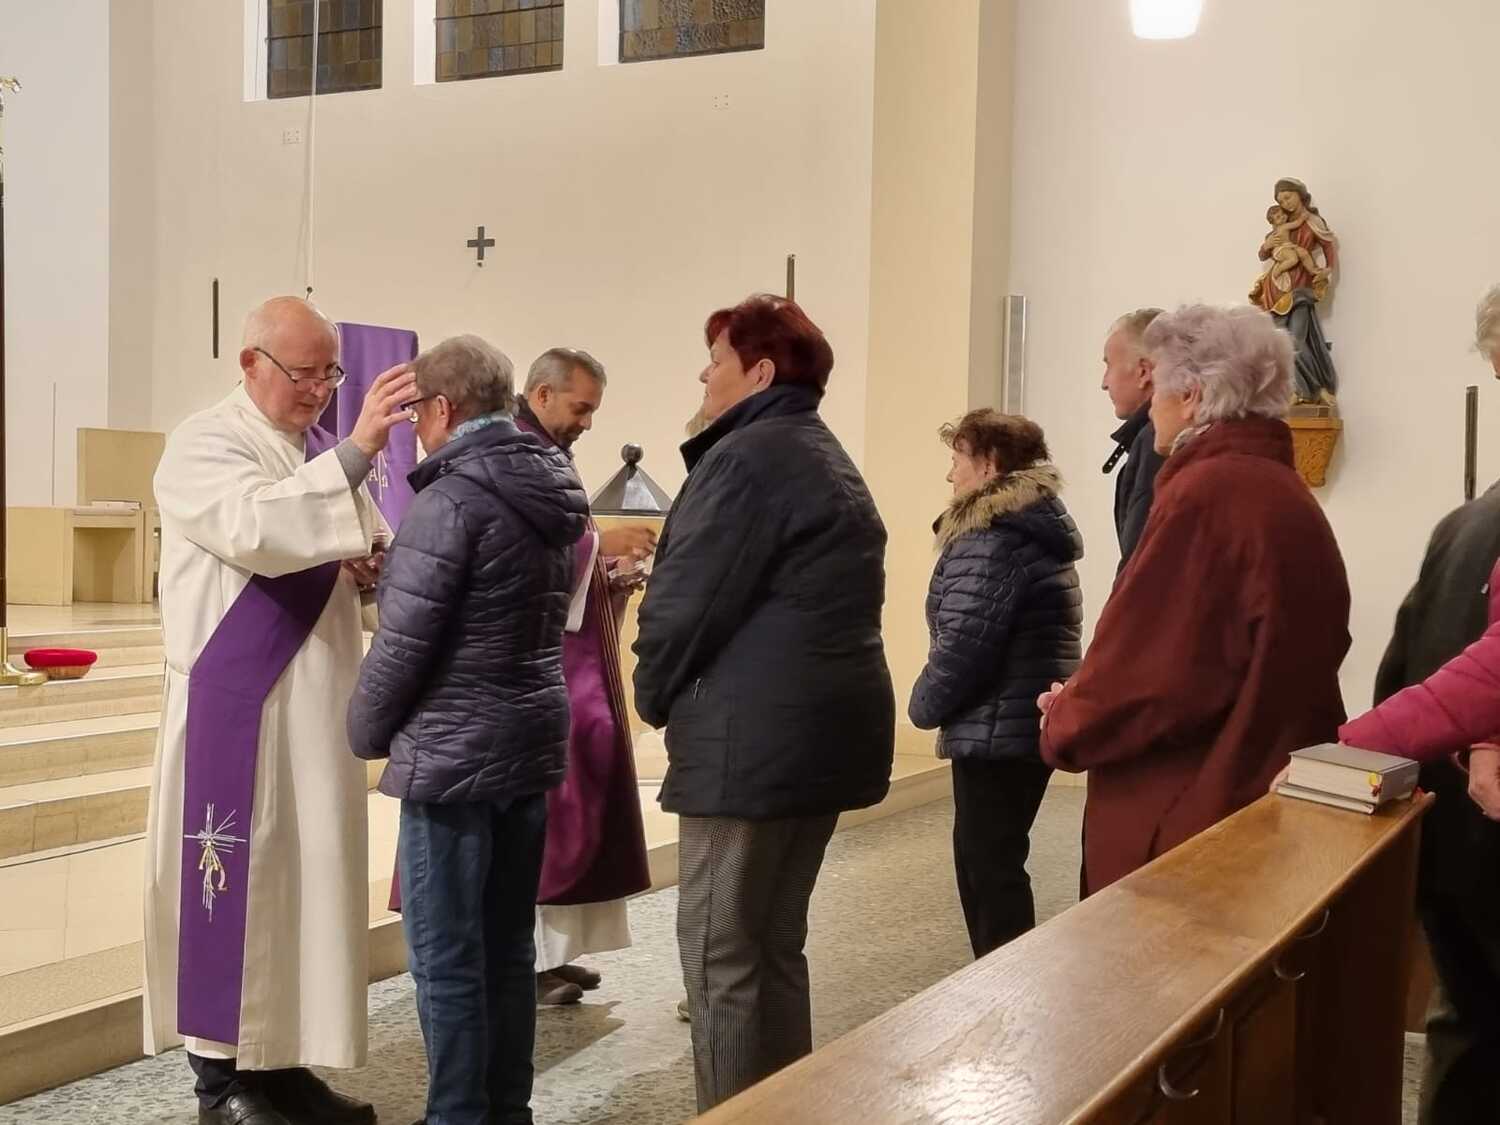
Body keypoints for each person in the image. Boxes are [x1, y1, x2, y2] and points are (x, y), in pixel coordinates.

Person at [143, 296, 412, 1125]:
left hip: (313, 706)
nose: (321, 390)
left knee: (302, 883)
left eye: (331, 373)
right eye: (304, 373)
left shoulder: (315, 449)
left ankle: (284, 1066)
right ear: (250, 362)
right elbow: (257, 529)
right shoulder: (204, 442)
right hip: (236, 709)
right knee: (233, 880)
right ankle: (221, 1084)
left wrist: (367, 568)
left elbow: (349, 542)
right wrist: (359, 450)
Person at [633, 294, 895, 1110]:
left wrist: (649, 692)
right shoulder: (819, 451)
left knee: (720, 954)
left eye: (716, 359)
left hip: (750, 746)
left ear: (759, 372)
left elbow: (686, 601)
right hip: (815, 736)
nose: (703, 374)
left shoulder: (745, 458)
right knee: (773, 942)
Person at [347, 335, 588, 1125]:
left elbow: (404, 644)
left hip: (452, 757)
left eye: (419, 412)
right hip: (527, 740)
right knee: (507, 946)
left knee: (446, 956)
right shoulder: (548, 484)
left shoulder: (450, 500)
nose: (417, 429)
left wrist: (363, 730)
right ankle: (506, 1110)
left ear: (443, 408)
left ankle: (456, 1115)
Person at [1038, 303, 1350, 894]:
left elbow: (1154, 670)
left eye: (1158, 383)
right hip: (1262, 786)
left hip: (1193, 810)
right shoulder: (1284, 489)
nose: (1150, 400)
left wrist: (1066, 718)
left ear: (1191, 396)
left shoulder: (1206, 494)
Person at [1336, 286, 1500, 1125]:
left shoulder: (1462, 524)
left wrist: (1353, 747)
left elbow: (1403, 677)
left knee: (1465, 1036)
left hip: (1458, 853)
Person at [908, 410, 1082, 957]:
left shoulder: (992, 538)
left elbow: (966, 641)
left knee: (988, 870)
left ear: (988, 465)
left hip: (996, 728)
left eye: (957, 458)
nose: (950, 473)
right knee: (996, 860)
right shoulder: (1031, 526)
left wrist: (922, 705)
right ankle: (1007, 976)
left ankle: (1004, 985)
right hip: (1020, 721)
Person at [514, 346, 655, 1007]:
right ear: (542, 394)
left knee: (576, 807)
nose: (588, 422)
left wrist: (606, 574)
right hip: (537, 668)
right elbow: (523, 544)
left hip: (571, 658)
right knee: (549, 811)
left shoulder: (549, 451)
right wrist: (601, 542)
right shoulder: (516, 450)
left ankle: (555, 953)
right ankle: (527, 962)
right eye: (581, 407)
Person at [1100, 307, 1165, 571]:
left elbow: (1142, 568)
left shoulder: (1157, 442)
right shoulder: (1150, 438)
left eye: (1108, 365)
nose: (1104, 383)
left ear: (1143, 372)